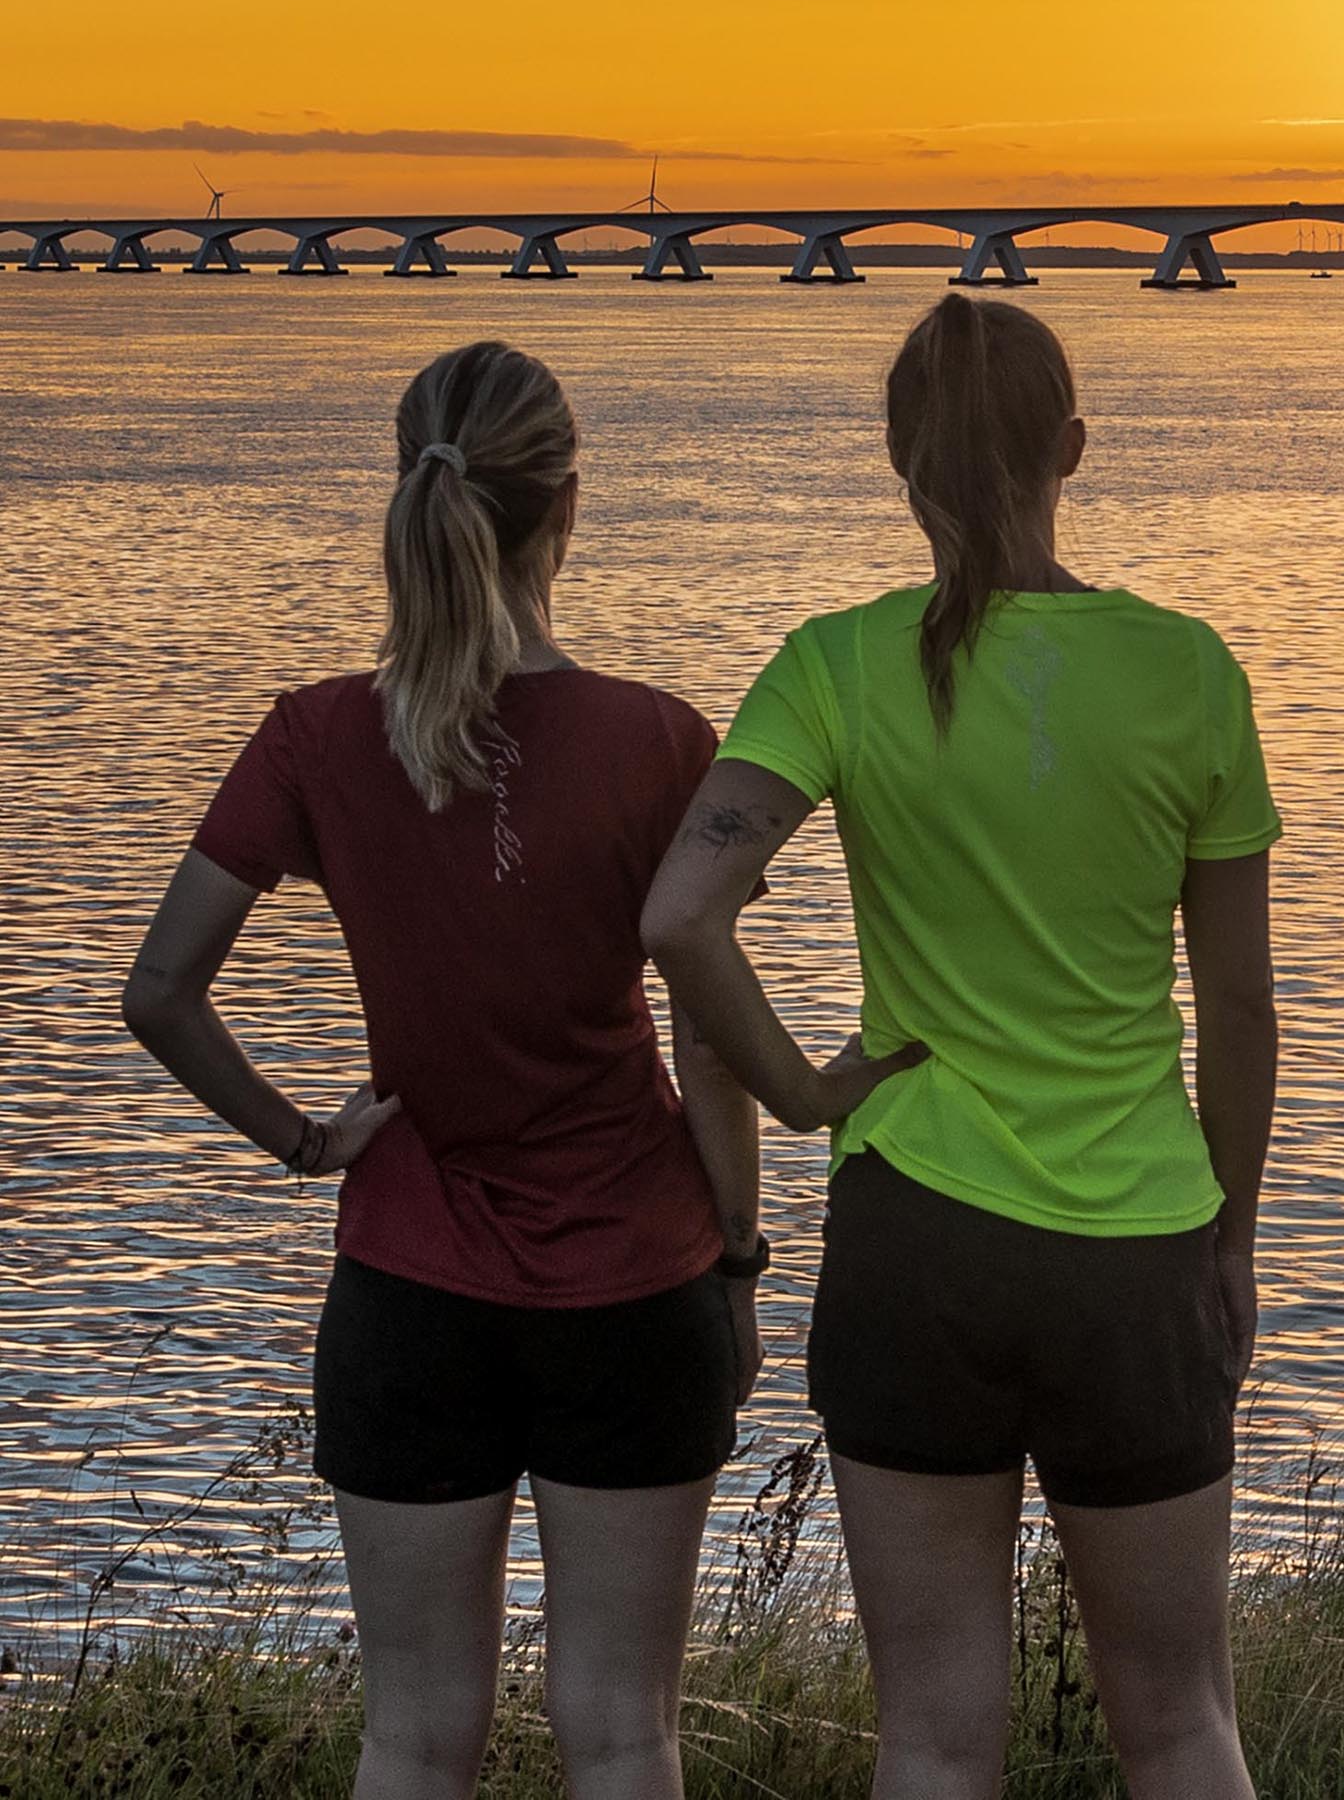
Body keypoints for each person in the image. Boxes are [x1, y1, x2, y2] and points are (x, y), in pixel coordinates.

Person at [122, 340, 907, 1800]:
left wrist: (301, 1139)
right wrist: (737, 1258)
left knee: (415, 1736)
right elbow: (706, 1035)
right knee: (623, 1731)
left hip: (410, 1292)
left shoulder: (314, 736)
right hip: (634, 1284)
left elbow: (161, 992)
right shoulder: (658, 738)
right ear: (569, 511)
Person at [642, 294, 1281, 1800]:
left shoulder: (837, 664)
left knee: (932, 1732)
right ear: (1073, 447)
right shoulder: (1189, 673)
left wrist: (803, 1092)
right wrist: (1230, 1240)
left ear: (897, 464)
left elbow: (681, 915)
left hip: (916, 1238)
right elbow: (1241, 1008)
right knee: (1181, 1721)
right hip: (1138, 1246)